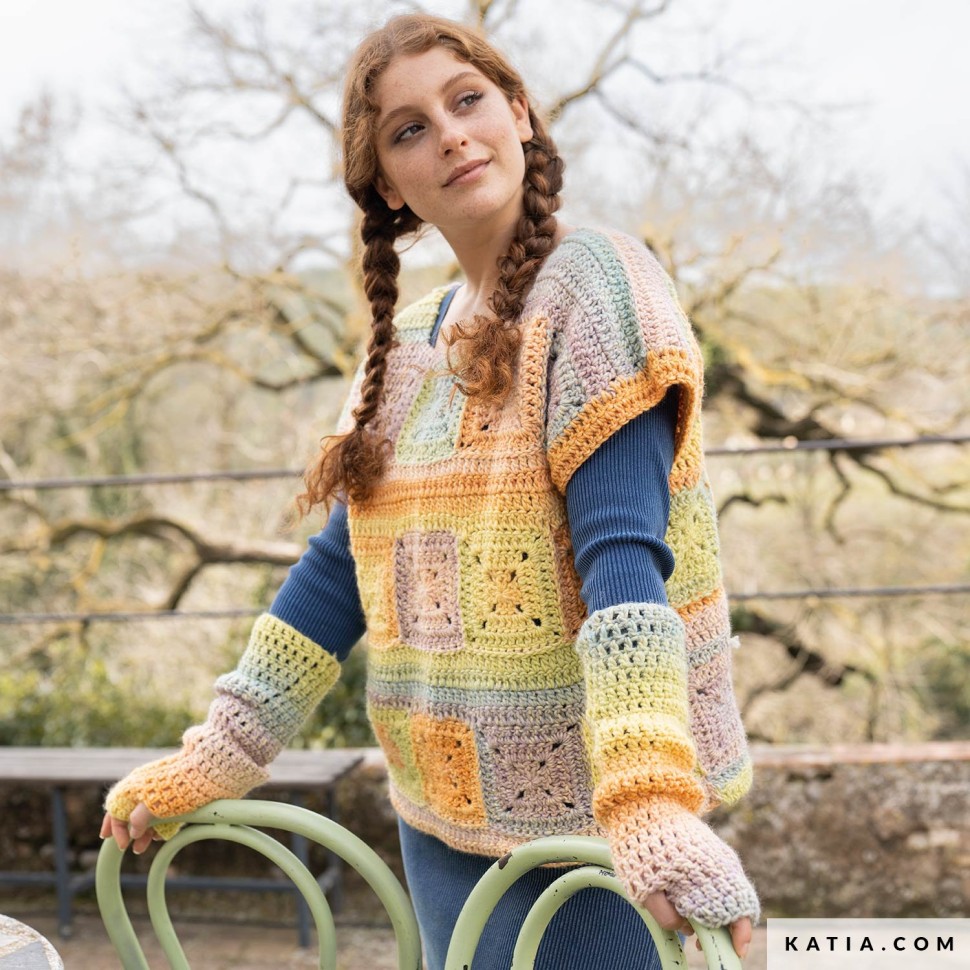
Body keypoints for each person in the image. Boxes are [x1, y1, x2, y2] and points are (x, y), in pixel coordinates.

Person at [100, 13, 759, 969]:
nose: (449, 135)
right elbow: (339, 569)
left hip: (592, 832)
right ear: (386, 183)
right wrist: (224, 749)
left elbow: (624, 561)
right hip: (439, 811)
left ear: (519, 113)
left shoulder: (599, 284)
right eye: (409, 130)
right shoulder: (408, 342)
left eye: (467, 100)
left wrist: (648, 799)